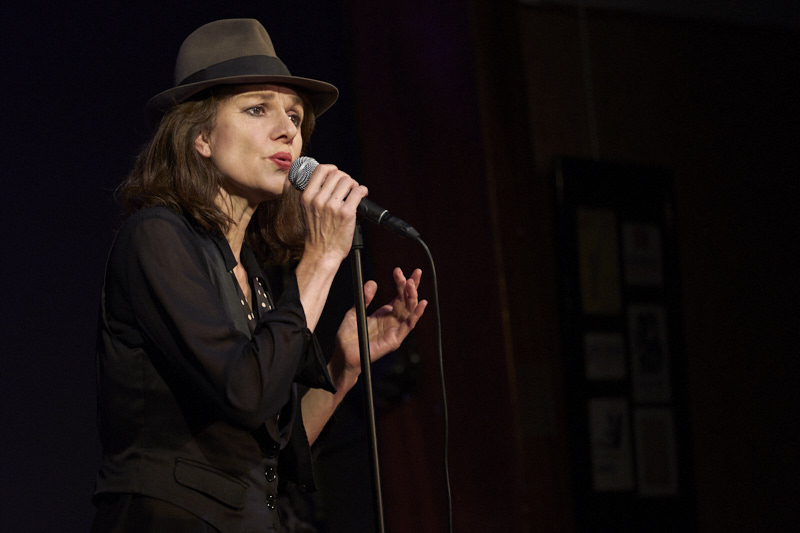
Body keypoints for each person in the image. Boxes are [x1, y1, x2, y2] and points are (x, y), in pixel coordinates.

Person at [91, 18, 427, 533]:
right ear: (200, 136)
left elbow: (275, 456)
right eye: (257, 109)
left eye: (294, 115)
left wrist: (343, 367)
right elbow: (245, 393)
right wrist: (322, 257)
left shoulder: (254, 273)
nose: (288, 130)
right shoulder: (156, 237)